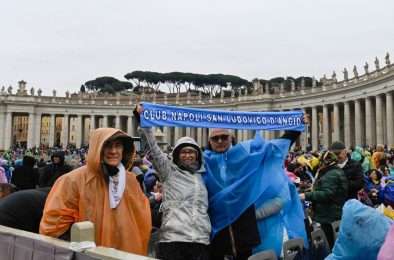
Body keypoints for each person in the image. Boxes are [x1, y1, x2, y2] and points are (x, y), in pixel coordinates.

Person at [40, 128, 151, 255]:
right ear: (97, 148)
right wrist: (81, 251)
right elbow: (54, 227)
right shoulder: (73, 180)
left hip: (124, 254)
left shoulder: (130, 181)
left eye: (118, 145)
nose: (113, 151)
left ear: (124, 149)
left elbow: (141, 218)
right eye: (107, 145)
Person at [203, 123, 308, 259]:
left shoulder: (244, 154)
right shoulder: (203, 161)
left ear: (231, 138)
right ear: (209, 141)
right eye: (215, 138)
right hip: (217, 229)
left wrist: (295, 128)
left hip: (243, 227)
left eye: (224, 137)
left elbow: (272, 150)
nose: (220, 141)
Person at [135, 104, 210, 260]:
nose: (187, 155)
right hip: (173, 239)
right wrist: (143, 123)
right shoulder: (169, 173)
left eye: (191, 152)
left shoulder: (204, 176)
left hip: (201, 240)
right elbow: (152, 149)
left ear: (198, 155)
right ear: (177, 155)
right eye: (183, 152)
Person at [299, 151, 348, 249]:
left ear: (326, 162)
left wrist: (307, 195)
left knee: (329, 244)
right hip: (332, 213)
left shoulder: (331, 174)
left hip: (329, 214)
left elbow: (327, 194)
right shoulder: (333, 171)